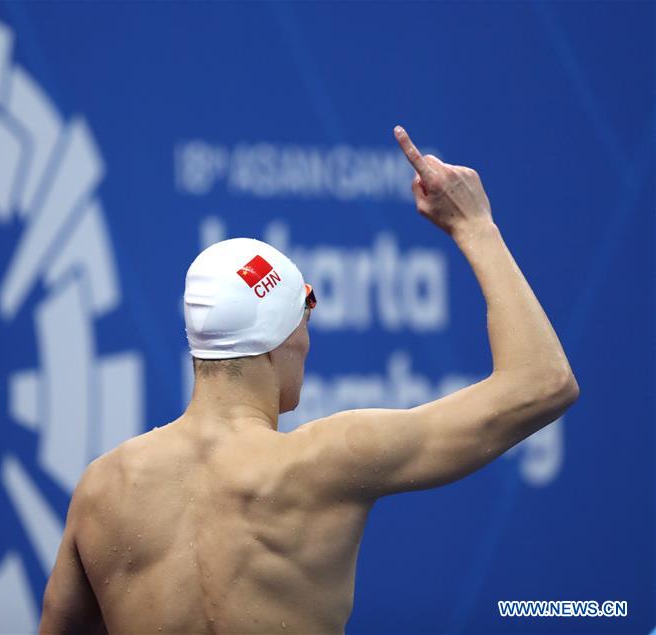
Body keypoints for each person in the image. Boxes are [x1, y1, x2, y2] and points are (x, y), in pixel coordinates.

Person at [37, 126, 579, 634]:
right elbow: (544, 381)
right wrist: (475, 226)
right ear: (281, 338)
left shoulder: (104, 490)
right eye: (306, 316)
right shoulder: (326, 464)